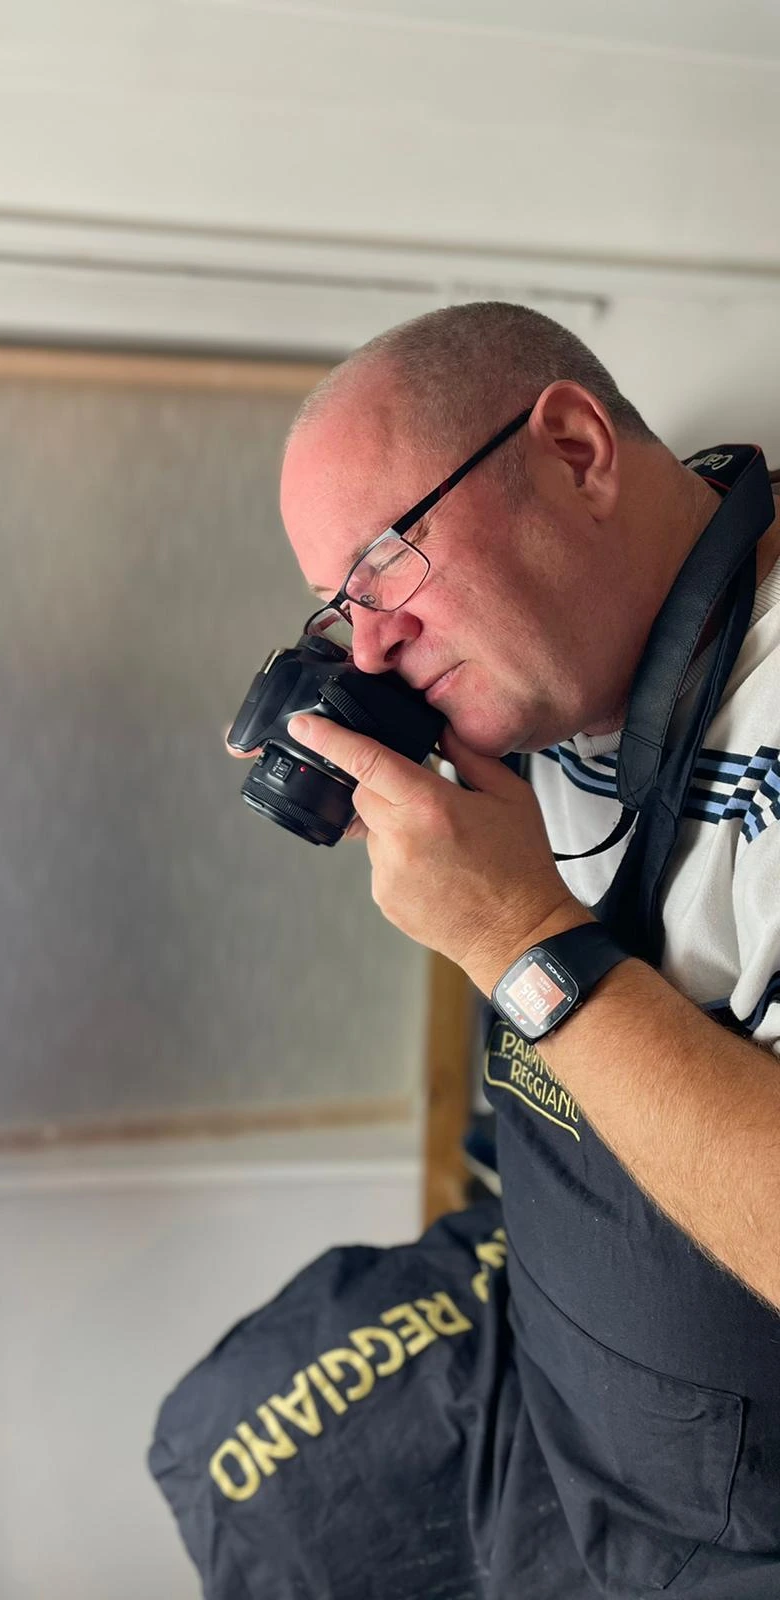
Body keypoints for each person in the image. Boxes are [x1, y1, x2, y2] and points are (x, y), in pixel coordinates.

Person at [150, 302, 780, 1598]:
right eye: (338, 610)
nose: (372, 643)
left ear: (574, 451)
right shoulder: (560, 680)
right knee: (233, 1447)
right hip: (558, 1354)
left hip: (733, 1505)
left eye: (385, 568)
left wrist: (520, 936)